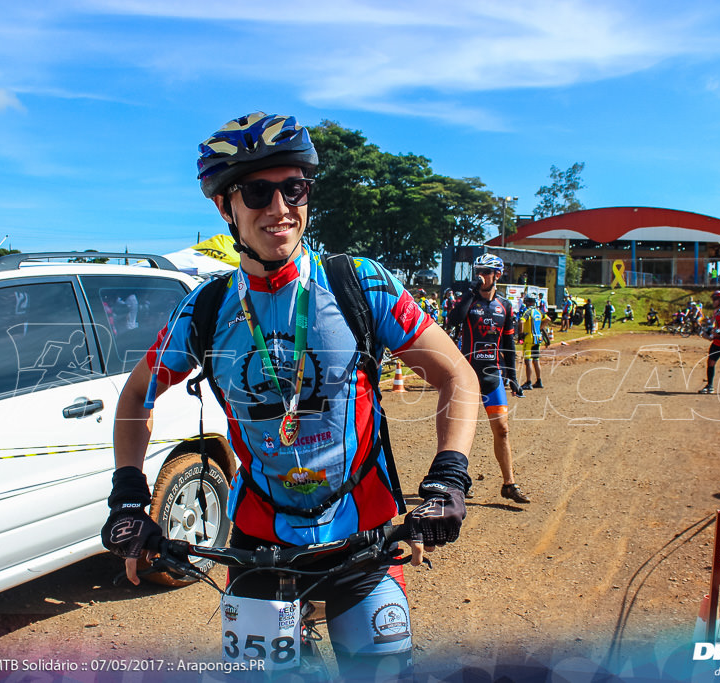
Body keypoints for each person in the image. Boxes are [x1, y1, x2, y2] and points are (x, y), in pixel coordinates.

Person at [99, 112, 479, 678]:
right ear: (224, 207)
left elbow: (457, 376)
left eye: (293, 188)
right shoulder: (205, 310)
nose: (279, 208)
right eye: (257, 191)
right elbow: (135, 399)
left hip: (363, 543)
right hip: (256, 544)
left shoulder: (360, 284)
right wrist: (129, 495)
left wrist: (449, 477)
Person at [446, 253, 532, 504]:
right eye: (478, 271)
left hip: (493, 376)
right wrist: (470, 294)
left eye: (486, 271)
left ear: (498, 275)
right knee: (465, 431)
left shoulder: (505, 306)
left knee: (502, 430)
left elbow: (508, 343)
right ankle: (461, 481)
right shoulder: (469, 302)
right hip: (468, 376)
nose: (481, 276)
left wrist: (513, 377)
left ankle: (509, 484)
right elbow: (453, 321)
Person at [519, 296, 544, 391]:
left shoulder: (528, 311)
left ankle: (528, 382)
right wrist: (540, 328)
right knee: (536, 360)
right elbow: (548, 319)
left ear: (528, 302)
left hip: (529, 339)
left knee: (528, 361)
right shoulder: (538, 311)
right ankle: (539, 380)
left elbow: (521, 321)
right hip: (538, 339)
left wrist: (521, 334)